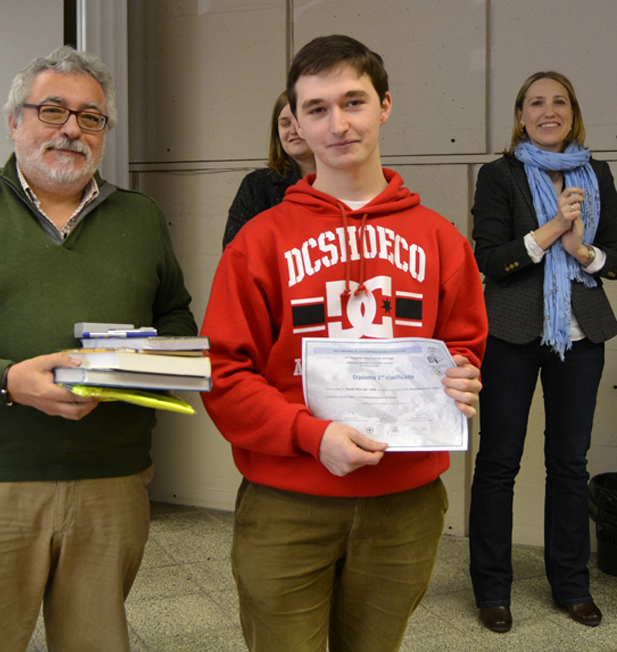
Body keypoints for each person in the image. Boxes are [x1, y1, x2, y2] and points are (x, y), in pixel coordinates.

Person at [0, 46, 197, 652]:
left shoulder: (141, 218)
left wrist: (135, 367)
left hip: (112, 481)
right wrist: (6, 381)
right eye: (52, 111)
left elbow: (174, 317)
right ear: (14, 121)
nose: (71, 129)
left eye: (91, 117)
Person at [200, 35, 487, 652]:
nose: (338, 124)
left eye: (353, 102)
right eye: (317, 108)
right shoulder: (259, 240)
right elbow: (223, 373)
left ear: (384, 105)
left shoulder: (441, 239)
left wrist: (463, 377)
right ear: (295, 125)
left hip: (404, 503)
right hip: (287, 501)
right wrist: (311, 435)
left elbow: (463, 349)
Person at [467, 71, 617, 633]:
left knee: (569, 464)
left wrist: (582, 249)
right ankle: (492, 589)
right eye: (536, 102)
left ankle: (571, 585)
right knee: (499, 464)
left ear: (573, 112)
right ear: (520, 116)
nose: (548, 111)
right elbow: (489, 259)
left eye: (559, 101)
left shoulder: (597, 172)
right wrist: (550, 229)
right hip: (512, 334)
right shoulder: (499, 175)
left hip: (580, 336)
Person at [222, 90, 316, 247]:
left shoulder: (349, 182)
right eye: (285, 124)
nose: (293, 130)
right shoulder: (257, 186)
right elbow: (236, 255)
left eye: (300, 122)